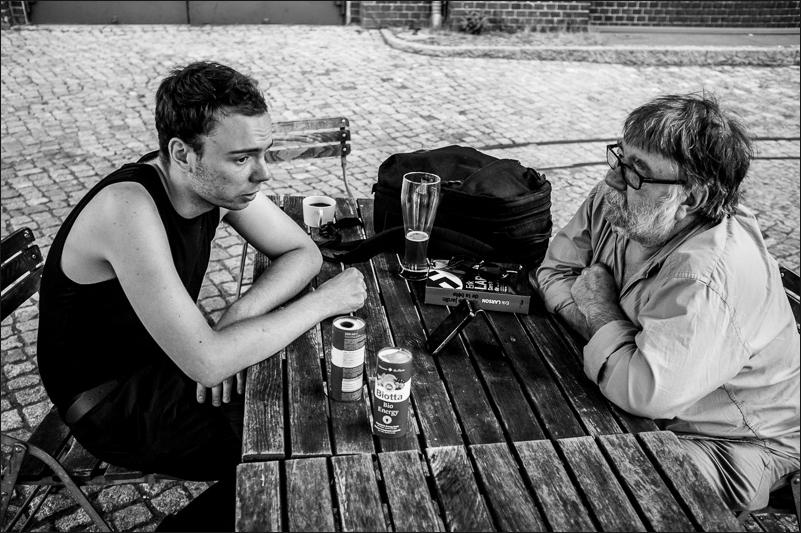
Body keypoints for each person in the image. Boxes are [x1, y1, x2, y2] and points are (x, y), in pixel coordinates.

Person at [36, 61, 367, 530]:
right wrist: (323, 303)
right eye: (242, 158)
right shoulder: (128, 208)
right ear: (182, 153)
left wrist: (240, 312)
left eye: (264, 153)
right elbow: (209, 363)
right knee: (299, 444)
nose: (262, 174)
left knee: (308, 408)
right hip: (112, 403)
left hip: (170, 360)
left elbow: (303, 252)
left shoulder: (211, 186)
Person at [532, 92, 799, 512]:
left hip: (729, 443)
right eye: (620, 158)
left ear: (691, 198)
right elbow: (553, 273)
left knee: (586, 483)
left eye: (637, 171)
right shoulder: (620, 203)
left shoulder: (706, 274)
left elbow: (642, 391)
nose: (614, 179)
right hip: (641, 408)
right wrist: (606, 334)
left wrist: (599, 311)